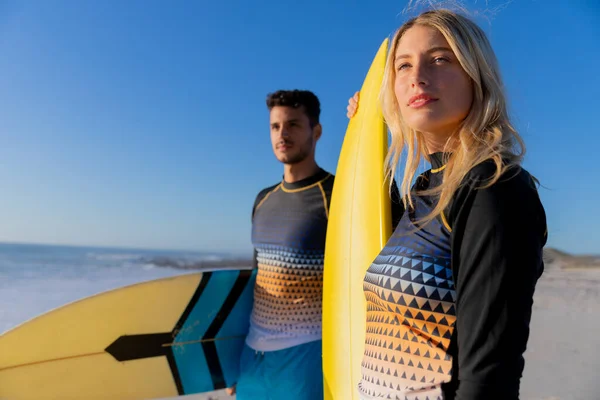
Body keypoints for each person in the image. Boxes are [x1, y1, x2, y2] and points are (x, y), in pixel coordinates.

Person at [346, 9, 547, 400]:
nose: (418, 76)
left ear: (477, 74)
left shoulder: (492, 188)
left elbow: (488, 376)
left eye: (440, 59)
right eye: (403, 66)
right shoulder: (420, 194)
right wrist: (365, 128)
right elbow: (361, 222)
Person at [226, 89, 332, 400]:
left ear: (316, 131)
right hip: (252, 358)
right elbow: (257, 278)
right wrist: (232, 361)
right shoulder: (263, 199)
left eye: (293, 125)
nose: (282, 134)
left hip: (306, 358)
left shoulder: (334, 194)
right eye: (275, 126)